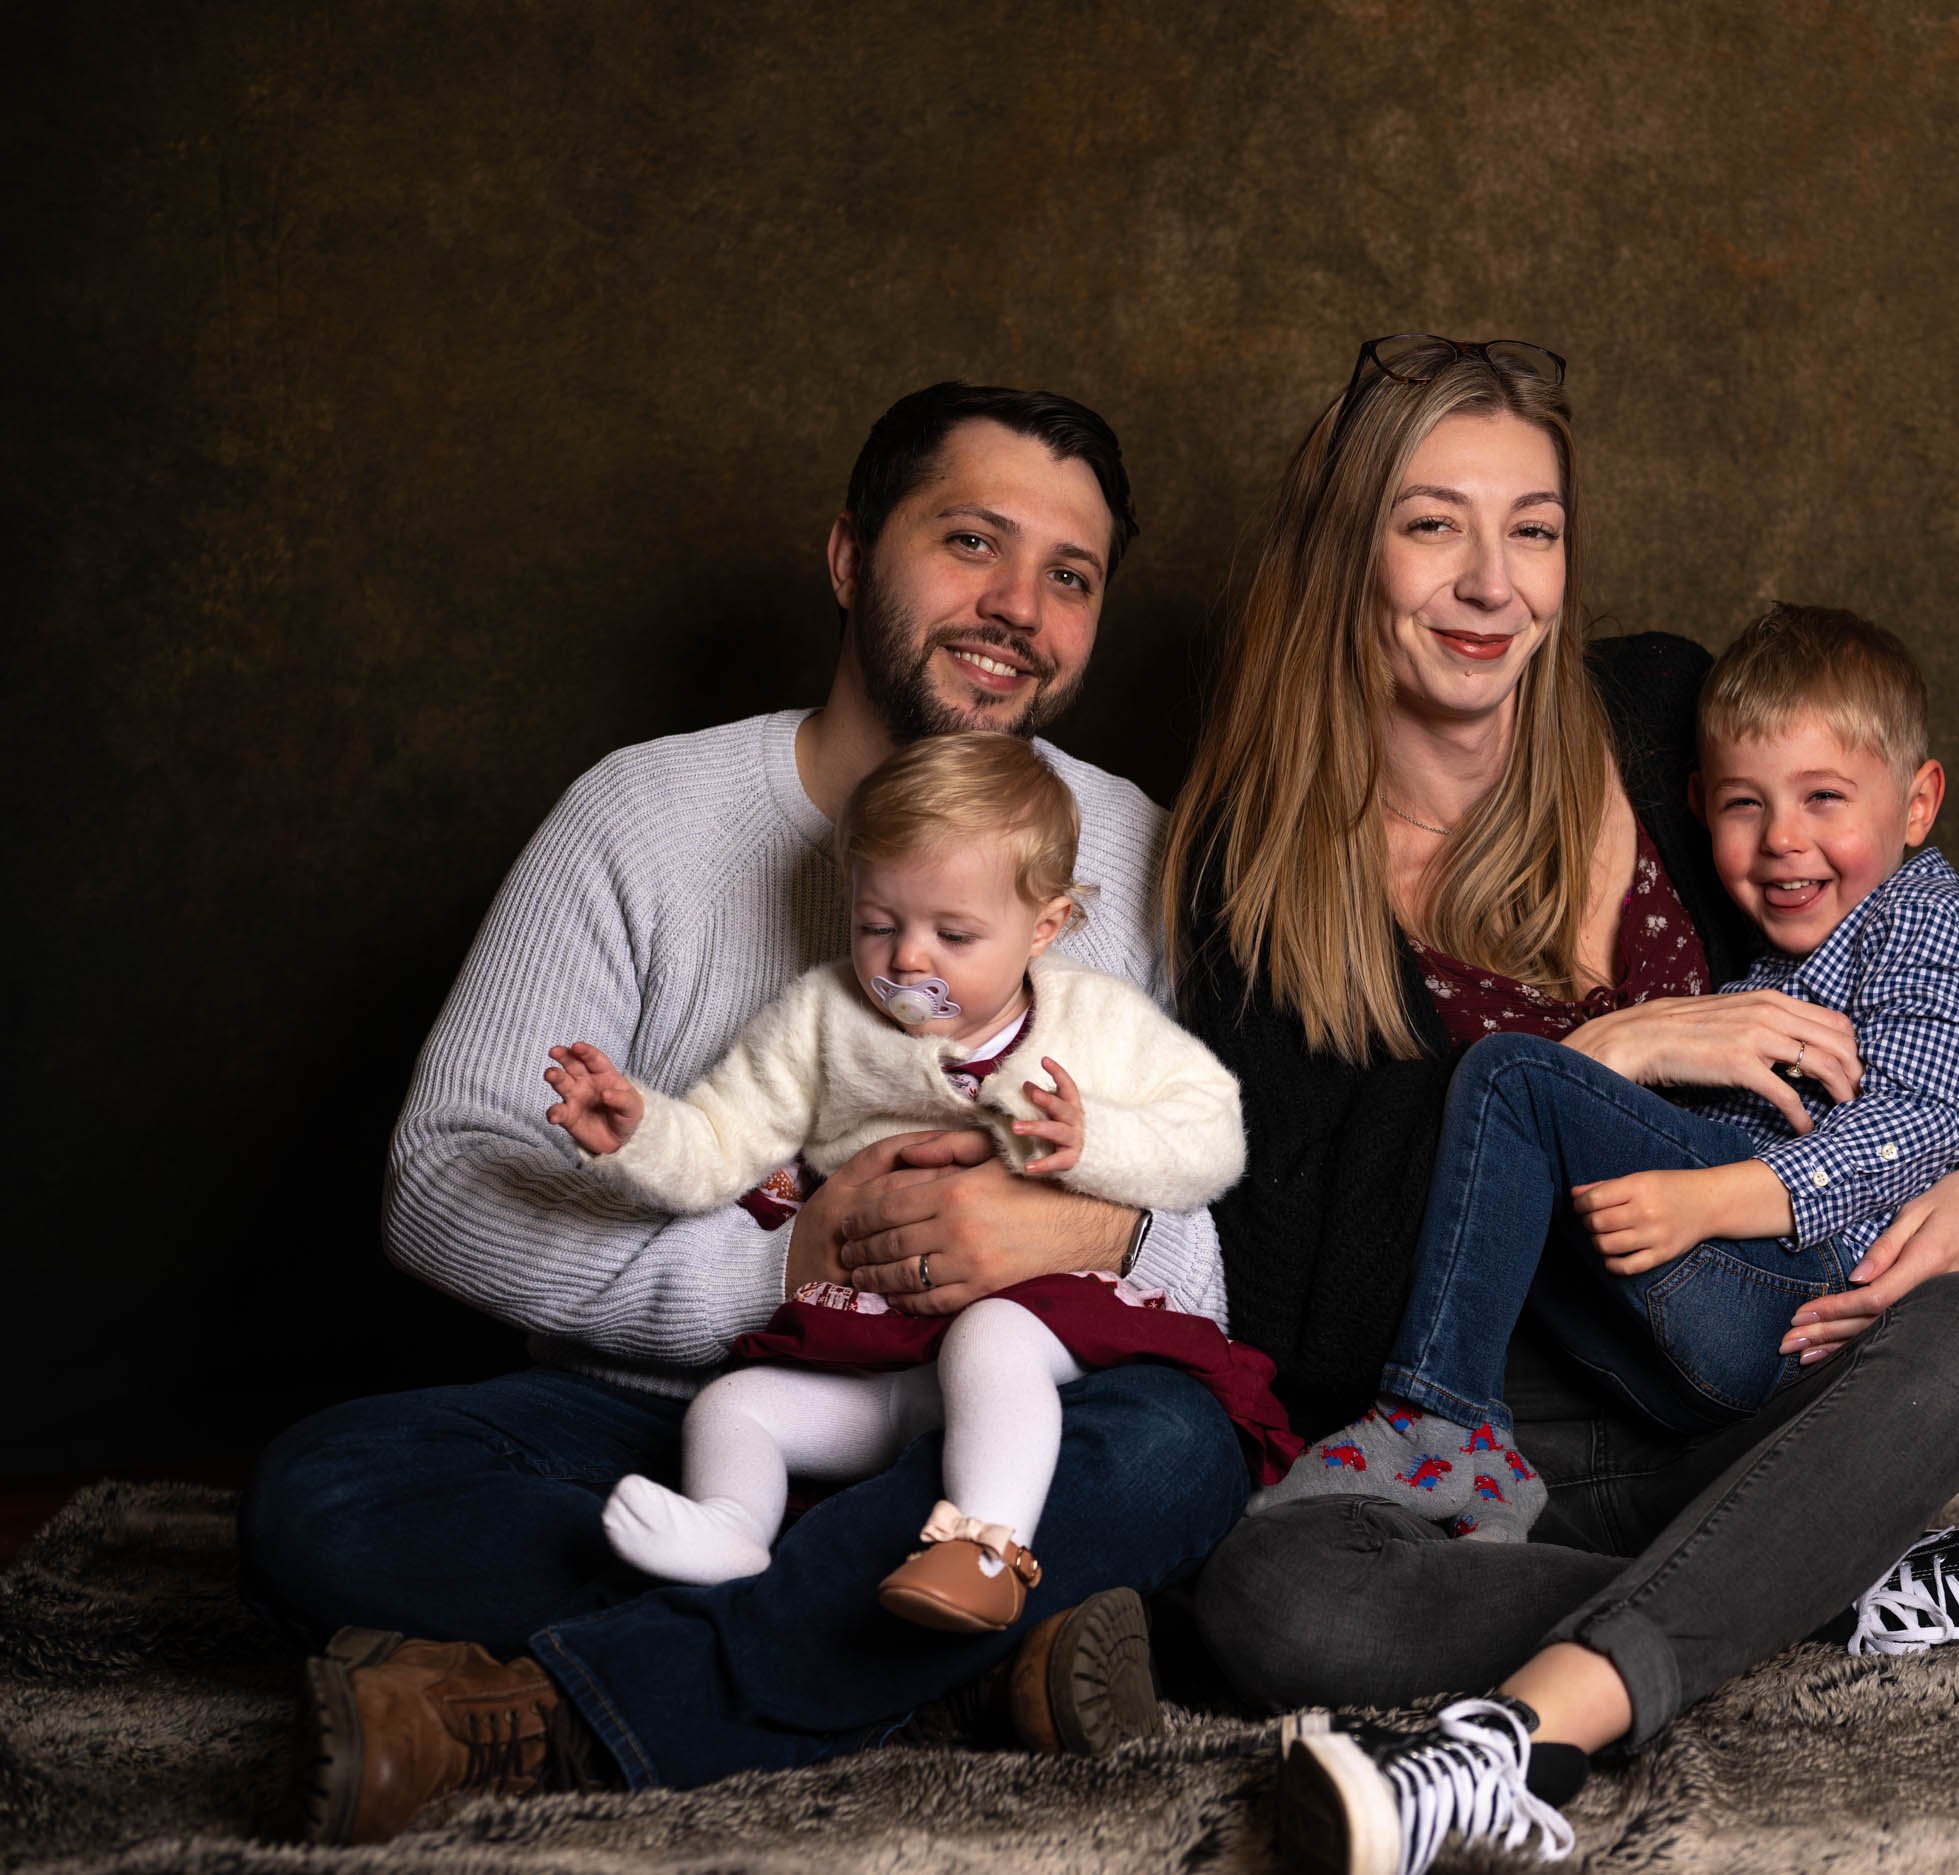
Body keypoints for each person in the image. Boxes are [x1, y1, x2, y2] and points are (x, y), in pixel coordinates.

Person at [1160, 336, 1959, 1874]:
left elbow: (1931, 982)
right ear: (1340, 557)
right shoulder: (1258, 887)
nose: (1493, 582)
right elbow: (1302, 1310)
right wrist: (1611, 1058)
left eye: (1535, 528)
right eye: (1433, 524)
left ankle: (1531, 1727)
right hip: (1503, 1463)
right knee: (1268, 1600)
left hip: (1754, 1376)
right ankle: (1826, 1581)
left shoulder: (1664, 716)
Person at [240, 382, 1255, 1846]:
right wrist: (772, 1270)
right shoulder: (640, 817)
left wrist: (1078, 1214)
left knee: (1174, 1444)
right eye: (972, 541)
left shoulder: (1128, 852)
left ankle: (560, 1713)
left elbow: (1204, 1243)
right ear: (850, 556)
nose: (1018, 606)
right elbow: (444, 1179)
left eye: (1071, 576)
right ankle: (951, 1656)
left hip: (987, 1428)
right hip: (667, 1420)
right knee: (318, 1496)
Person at [1249, 604, 1959, 1540]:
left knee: (1512, 1080)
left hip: (1792, 1297)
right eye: (1748, 804)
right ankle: (1479, 1466)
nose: (1783, 836)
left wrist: (1712, 1201)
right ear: (1701, 804)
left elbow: (1919, 1126)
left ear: (1917, 801)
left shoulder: (1923, 919)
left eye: (1824, 798)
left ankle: (1439, 1423)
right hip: (1639, 1361)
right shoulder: (1778, 947)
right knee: (1291, 1563)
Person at [543, 731, 1289, 1631]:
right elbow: (721, 1138)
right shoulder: (823, 1019)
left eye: (954, 934)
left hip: (1035, 1342)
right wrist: (638, 1131)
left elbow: (1213, 1135)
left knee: (996, 1341)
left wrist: (1097, 1144)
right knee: (735, 1405)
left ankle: (983, 1549)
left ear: (1045, 926)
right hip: (878, 1359)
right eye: (878, 925)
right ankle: (734, 1529)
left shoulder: (1095, 1020)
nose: (907, 963)